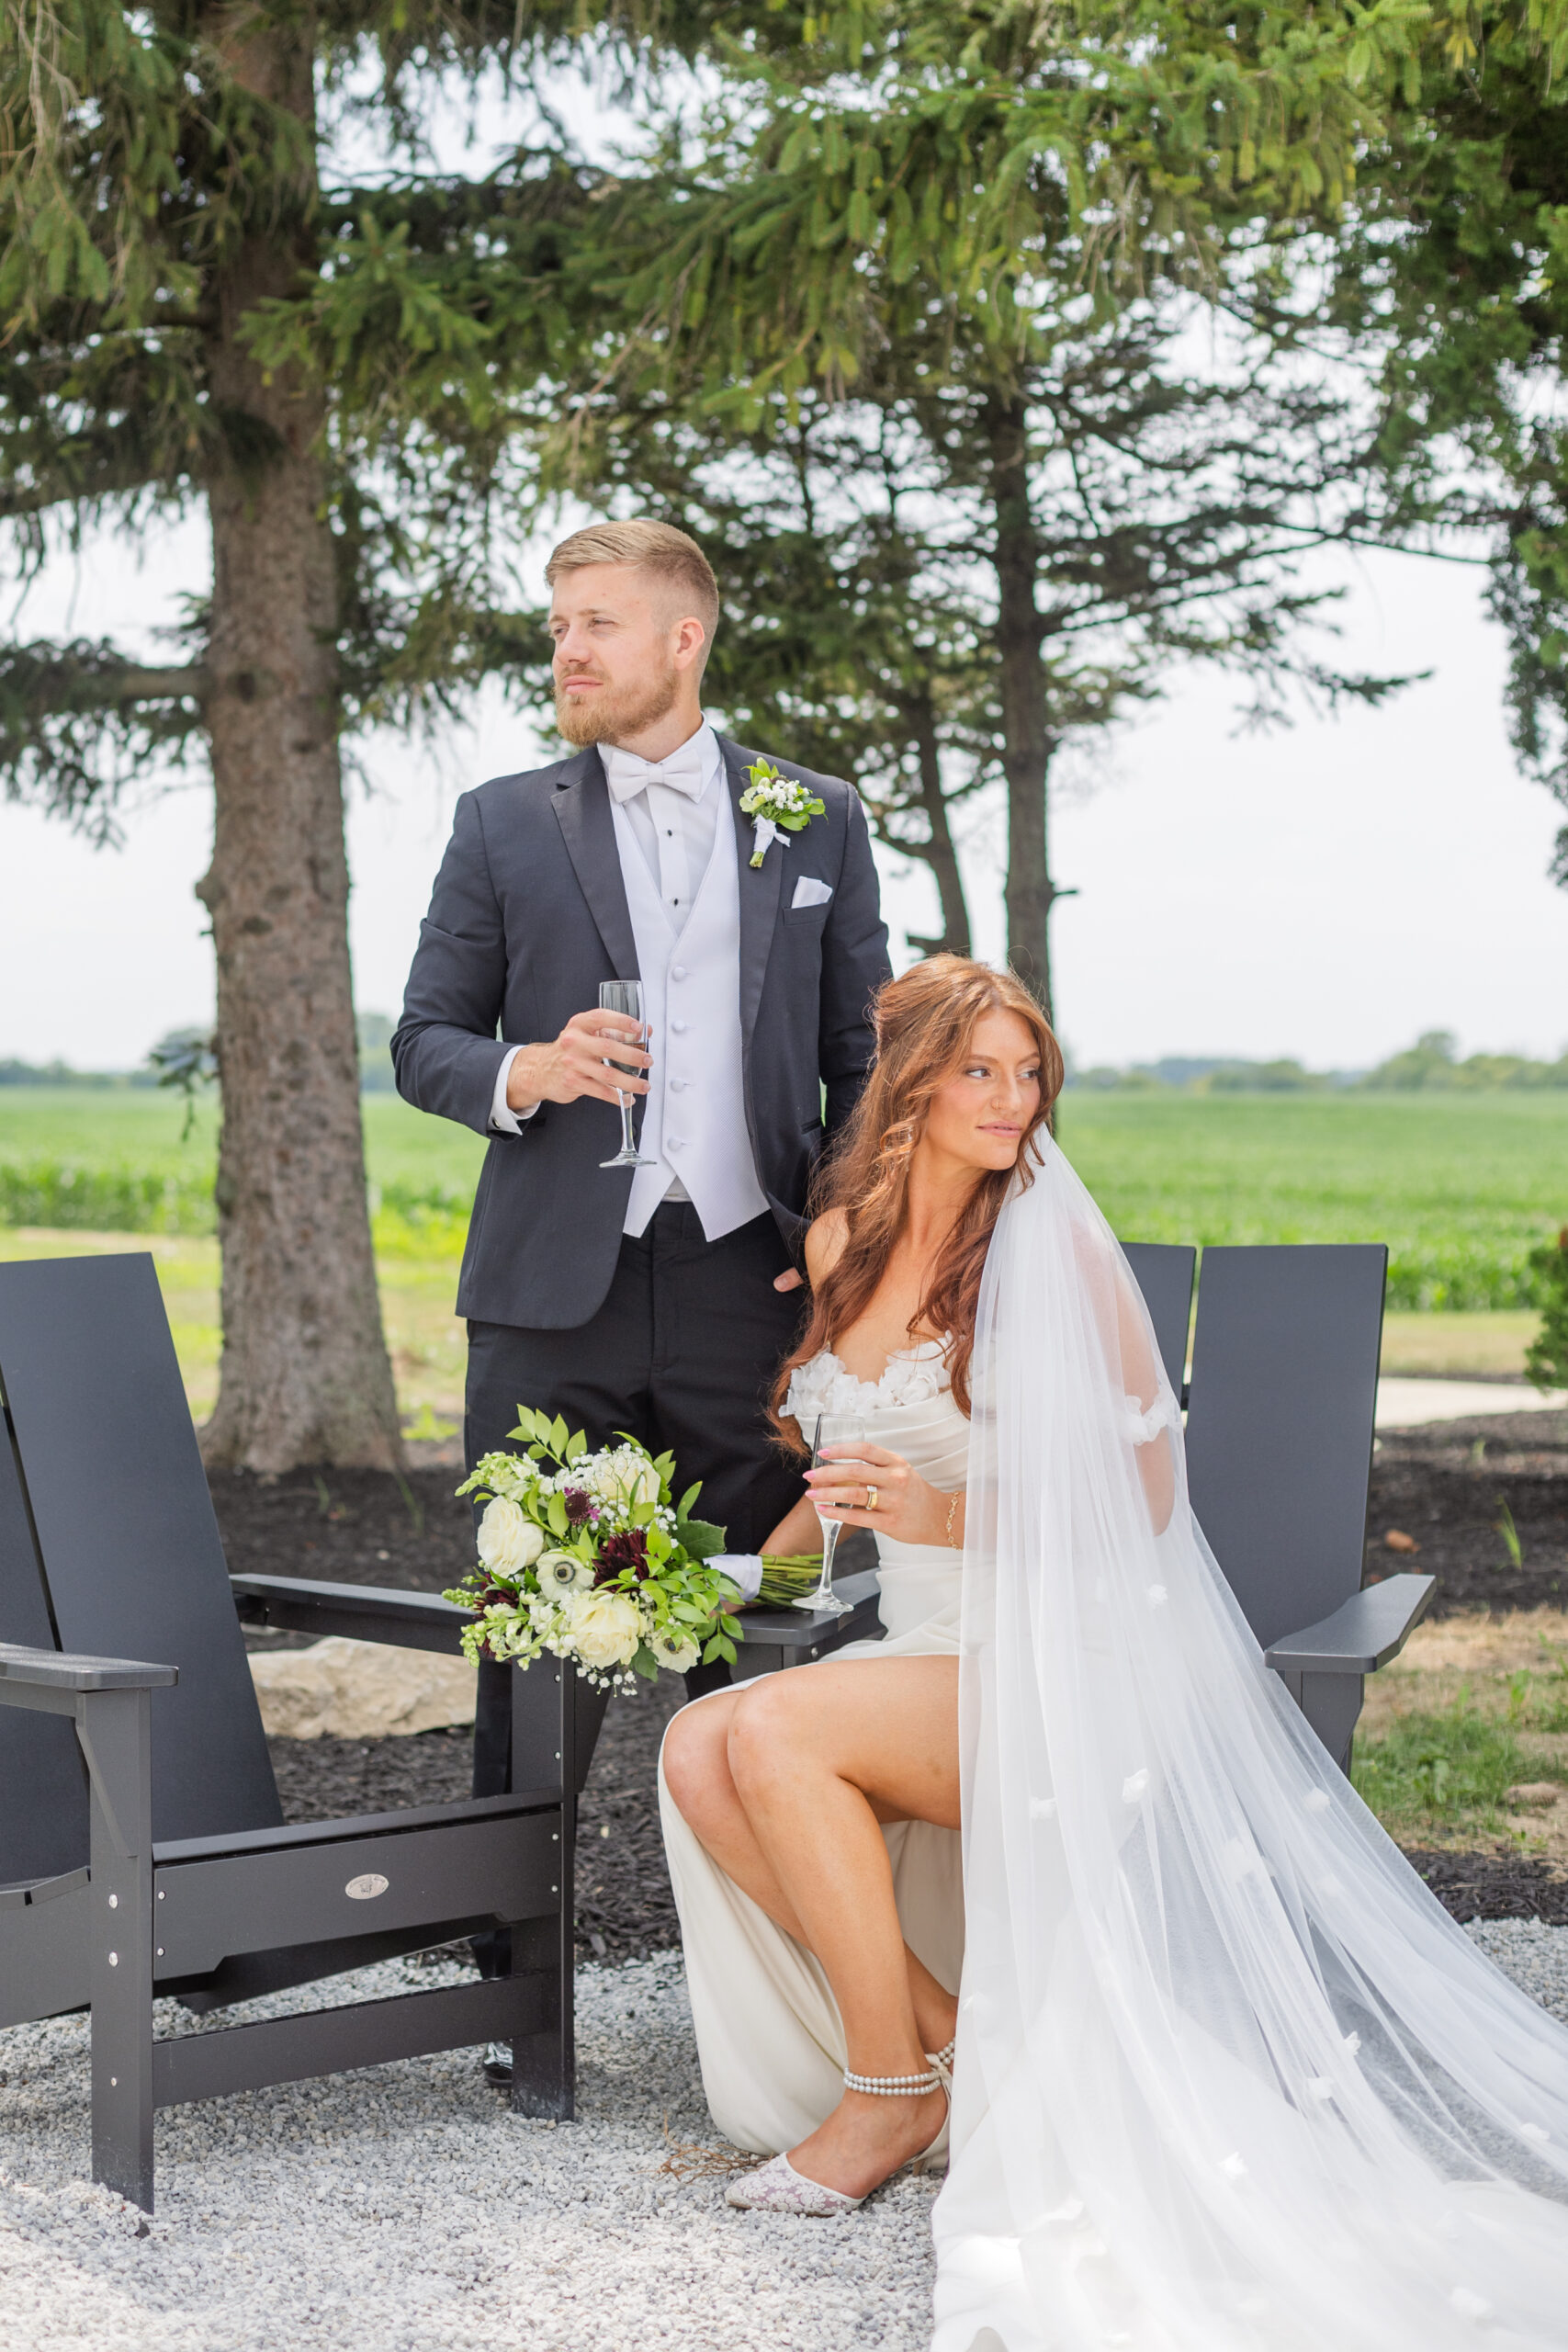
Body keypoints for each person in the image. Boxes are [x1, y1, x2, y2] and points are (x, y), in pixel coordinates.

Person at [660, 956, 1568, 2350]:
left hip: (1063, 1659)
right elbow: (835, 1490)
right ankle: (947, 2057)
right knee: (697, 1744)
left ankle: (890, 2100)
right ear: (907, 1083)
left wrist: (941, 1507)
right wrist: (660, 1575)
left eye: (1029, 1073)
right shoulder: (845, 1240)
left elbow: (1139, 1503)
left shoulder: (1051, 1248)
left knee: (773, 1730)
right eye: (981, 1072)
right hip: (927, 1651)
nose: (1014, 1100)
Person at [391, 518, 890, 2062]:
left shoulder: (815, 817)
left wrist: (851, 1258)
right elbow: (420, 1041)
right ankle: (510, 1997)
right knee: (539, 1641)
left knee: (779, 1629)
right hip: (558, 1298)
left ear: (687, 638)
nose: (568, 653)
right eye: (557, 628)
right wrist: (525, 1071)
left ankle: (797, 1992)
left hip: (754, 1286)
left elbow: (863, 1065)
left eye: (596, 624)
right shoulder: (500, 822)